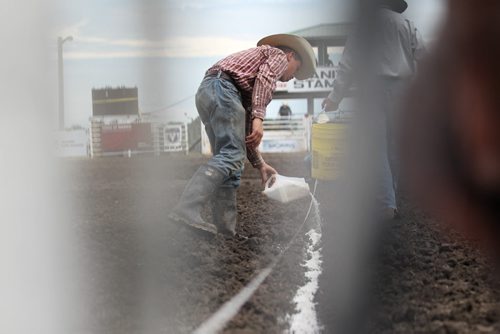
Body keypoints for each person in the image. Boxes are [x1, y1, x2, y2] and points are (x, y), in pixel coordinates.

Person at [169, 34, 316, 237]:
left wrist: (259, 163)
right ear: (290, 56)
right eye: (297, 69)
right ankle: (186, 208)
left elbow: (244, 129)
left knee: (231, 162)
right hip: (223, 88)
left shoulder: (249, 83)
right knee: (232, 156)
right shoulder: (278, 56)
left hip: (212, 91)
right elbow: (265, 79)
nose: (292, 77)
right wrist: (259, 118)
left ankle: (225, 232)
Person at [321, 0, 424, 219]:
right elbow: (423, 55)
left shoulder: (364, 26)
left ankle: (387, 202)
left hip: (372, 90)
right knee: (395, 147)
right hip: (403, 90)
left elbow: (348, 64)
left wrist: (334, 98)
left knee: (376, 148)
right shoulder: (406, 22)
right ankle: (392, 197)